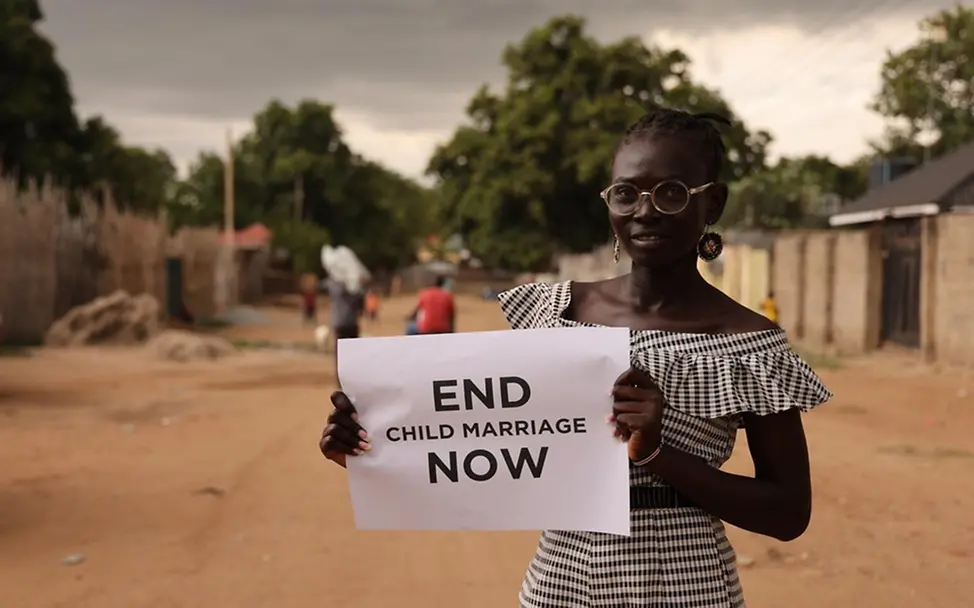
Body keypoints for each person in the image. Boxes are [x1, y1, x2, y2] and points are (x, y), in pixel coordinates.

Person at [319, 108, 832, 607]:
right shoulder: (554, 312)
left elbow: (788, 512)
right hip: (563, 579)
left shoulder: (748, 342)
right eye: (627, 193)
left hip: (686, 583)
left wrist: (658, 455)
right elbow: (482, 440)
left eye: (672, 193)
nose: (645, 211)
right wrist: (371, 443)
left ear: (712, 203)